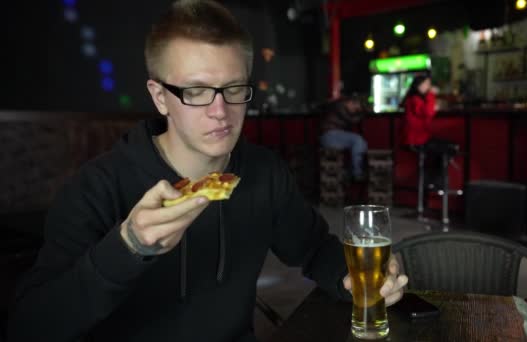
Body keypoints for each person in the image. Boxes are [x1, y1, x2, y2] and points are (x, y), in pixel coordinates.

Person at [7, 1, 407, 341]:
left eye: (234, 89)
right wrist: (126, 246)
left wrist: (353, 278)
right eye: (195, 91)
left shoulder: (264, 173)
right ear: (160, 96)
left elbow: (315, 248)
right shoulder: (96, 187)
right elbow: (30, 326)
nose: (220, 111)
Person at [401, 75, 455, 188]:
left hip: (420, 138)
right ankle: (433, 181)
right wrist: (431, 95)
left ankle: (432, 180)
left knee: (446, 148)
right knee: (449, 148)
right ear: (418, 85)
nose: (429, 87)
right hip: (417, 140)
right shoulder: (415, 99)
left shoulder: (414, 99)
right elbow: (428, 113)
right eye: (426, 84)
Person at [319, 95, 368, 181]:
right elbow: (351, 119)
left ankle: (353, 171)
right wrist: (361, 114)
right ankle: (356, 173)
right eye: (356, 108)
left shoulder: (338, 105)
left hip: (330, 136)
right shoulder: (340, 106)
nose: (355, 111)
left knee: (360, 142)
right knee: (358, 141)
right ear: (351, 102)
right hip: (329, 136)